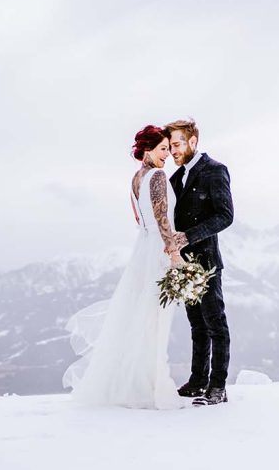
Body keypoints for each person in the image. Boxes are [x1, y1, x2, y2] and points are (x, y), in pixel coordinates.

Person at [62, 125, 189, 409]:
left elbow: (139, 218)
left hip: (142, 247)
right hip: (156, 248)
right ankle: (148, 386)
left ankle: (134, 382)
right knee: (154, 320)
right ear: (148, 149)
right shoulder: (156, 175)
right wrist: (172, 250)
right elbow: (161, 217)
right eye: (163, 149)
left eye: (168, 149)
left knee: (140, 316)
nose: (167, 155)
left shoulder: (136, 177)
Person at [166, 119, 234, 406]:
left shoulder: (215, 171)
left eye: (177, 145)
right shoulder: (174, 178)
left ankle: (218, 386)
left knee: (215, 323)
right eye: (169, 147)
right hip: (184, 265)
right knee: (197, 325)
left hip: (207, 262)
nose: (172, 152)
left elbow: (225, 215)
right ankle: (197, 381)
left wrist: (187, 237)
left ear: (193, 142)